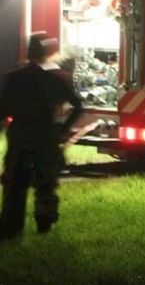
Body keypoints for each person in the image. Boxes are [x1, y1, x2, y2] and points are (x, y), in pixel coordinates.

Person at [0, 34, 84, 239]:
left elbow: (2, 109)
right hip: (46, 137)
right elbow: (77, 105)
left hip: (20, 137)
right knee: (45, 183)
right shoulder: (52, 79)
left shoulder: (14, 78)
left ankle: (11, 227)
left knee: (15, 184)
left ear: (28, 52)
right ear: (46, 53)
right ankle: (44, 224)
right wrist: (62, 129)